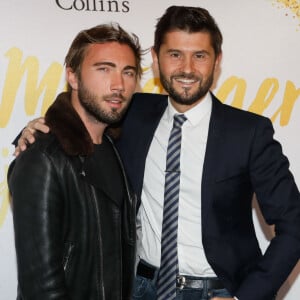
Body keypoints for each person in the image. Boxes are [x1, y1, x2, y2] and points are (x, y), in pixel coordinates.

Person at [14, 6, 300, 300]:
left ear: (217, 62)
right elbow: (83, 110)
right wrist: (34, 130)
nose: (187, 68)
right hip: (139, 289)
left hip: (216, 291)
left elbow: (294, 224)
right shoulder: (132, 113)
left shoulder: (249, 132)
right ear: (155, 59)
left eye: (199, 56)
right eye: (175, 54)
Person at [8, 23, 142, 300]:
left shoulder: (115, 145)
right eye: (104, 69)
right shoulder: (42, 158)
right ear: (73, 76)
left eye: (128, 72)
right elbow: (41, 289)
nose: (118, 85)